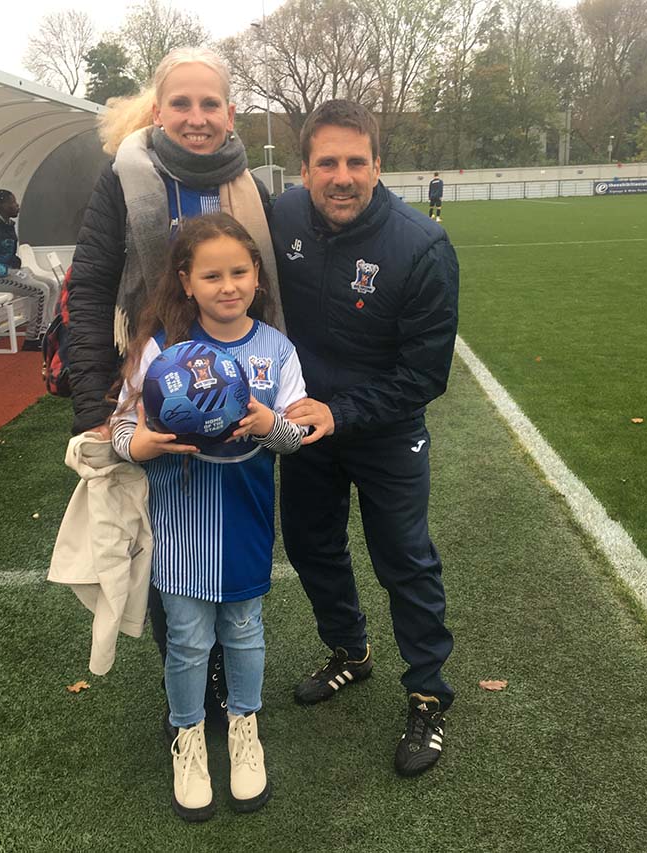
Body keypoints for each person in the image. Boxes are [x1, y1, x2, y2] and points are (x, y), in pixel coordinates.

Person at [65, 47, 281, 737]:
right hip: (151, 385)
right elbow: (93, 289)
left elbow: (272, 291)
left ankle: (222, 668)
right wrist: (95, 406)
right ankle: (190, 677)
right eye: (181, 104)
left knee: (233, 529)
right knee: (162, 539)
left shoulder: (249, 184)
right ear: (158, 111)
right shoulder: (124, 177)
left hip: (237, 385)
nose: (195, 117)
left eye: (209, 104)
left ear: (231, 112)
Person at [271, 99, 459, 777]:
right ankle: (350, 651)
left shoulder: (421, 247)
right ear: (305, 169)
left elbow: (424, 375)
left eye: (357, 161)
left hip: (384, 430)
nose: (342, 176)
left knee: (404, 558)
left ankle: (429, 693)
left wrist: (340, 412)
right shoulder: (282, 216)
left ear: (379, 165)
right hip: (307, 428)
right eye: (328, 162)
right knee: (311, 546)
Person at [111, 213, 306, 821]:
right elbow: (120, 424)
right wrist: (138, 445)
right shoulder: (160, 349)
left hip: (245, 515)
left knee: (245, 630)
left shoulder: (277, 349)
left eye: (240, 272)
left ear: (257, 277)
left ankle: (245, 730)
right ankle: (188, 737)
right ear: (185, 282)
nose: (229, 286)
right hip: (181, 520)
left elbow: (298, 433)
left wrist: (271, 425)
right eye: (212, 275)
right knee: (190, 641)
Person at [0, 189, 58, 350]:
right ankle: (32, 339)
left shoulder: (4, 225)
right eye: (13, 203)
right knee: (40, 290)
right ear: (2, 205)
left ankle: (45, 331)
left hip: (6, 274)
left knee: (52, 284)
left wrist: (16, 269)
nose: (17, 206)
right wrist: (9, 271)